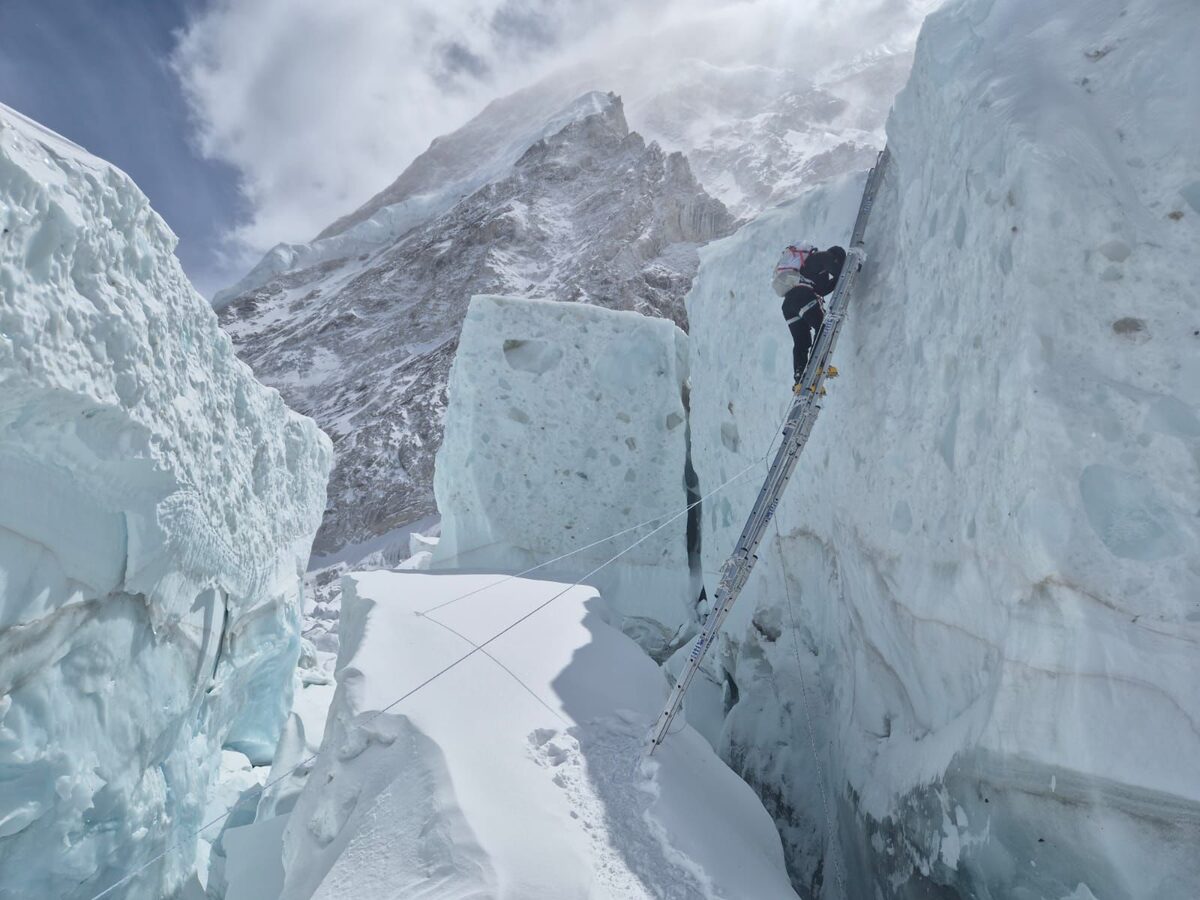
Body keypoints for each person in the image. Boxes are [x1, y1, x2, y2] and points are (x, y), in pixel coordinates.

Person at [772, 244, 846, 392]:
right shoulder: (822, 257)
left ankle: (800, 378)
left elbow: (822, 289)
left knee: (802, 342)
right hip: (802, 296)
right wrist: (847, 269)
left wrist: (838, 280)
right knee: (823, 326)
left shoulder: (810, 271)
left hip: (788, 306)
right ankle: (817, 363)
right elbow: (836, 269)